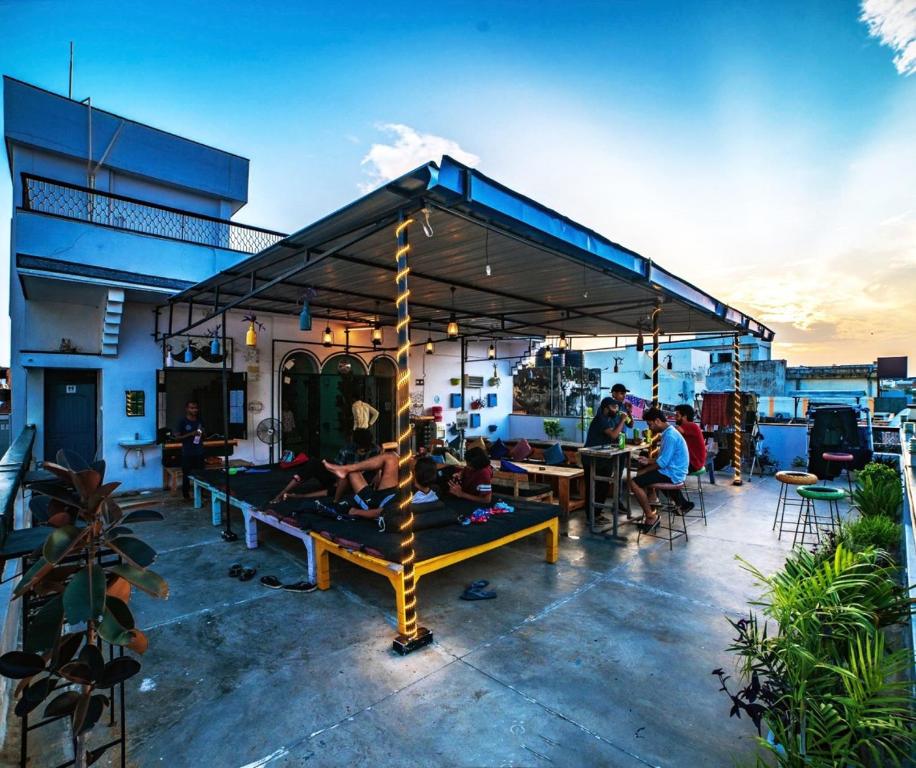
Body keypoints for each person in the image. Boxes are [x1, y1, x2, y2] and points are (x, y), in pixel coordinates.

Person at [270, 427, 380, 505]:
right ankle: (282, 493)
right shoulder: (347, 450)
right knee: (314, 463)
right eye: (361, 449)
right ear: (355, 445)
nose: (363, 451)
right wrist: (338, 478)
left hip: (358, 483)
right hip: (340, 478)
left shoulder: (375, 450)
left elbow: (378, 467)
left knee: (344, 478)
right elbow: (338, 469)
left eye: (365, 449)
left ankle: (333, 500)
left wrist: (377, 474)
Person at [628, 407, 693, 532]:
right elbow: (664, 459)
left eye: (650, 424)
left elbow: (662, 463)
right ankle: (653, 502)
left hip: (673, 473)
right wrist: (648, 461)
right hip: (673, 470)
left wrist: (646, 468)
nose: (650, 428)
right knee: (643, 470)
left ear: (657, 421)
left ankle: (651, 517)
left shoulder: (670, 436)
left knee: (634, 482)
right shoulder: (669, 432)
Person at [320, 455, 438, 519]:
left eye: (412, 467)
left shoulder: (408, 499)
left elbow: (379, 513)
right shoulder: (432, 493)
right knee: (391, 458)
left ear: (414, 475)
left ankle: (336, 500)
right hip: (391, 493)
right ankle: (344, 469)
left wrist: (355, 511)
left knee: (352, 471)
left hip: (375, 502)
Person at [584, 392, 631, 521]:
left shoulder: (608, 419)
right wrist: (622, 420)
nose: (616, 410)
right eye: (614, 407)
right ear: (606, 408)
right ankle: (592, 516)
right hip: (592, 459)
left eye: (617, 408)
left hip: (602, 458)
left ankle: (597, 514)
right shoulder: (601, 419)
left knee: (602, 487)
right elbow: (614, 435)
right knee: (593, 488)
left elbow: (616, 434)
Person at [174, 401, 205, 500]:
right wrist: (191, 434)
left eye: (196, 408)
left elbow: (204, 435)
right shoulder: (182, 421)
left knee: (200, 474)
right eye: (192, 408)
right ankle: (186, 495)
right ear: (186, 409)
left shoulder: (200, 421)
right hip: (187, 452)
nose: (194, 410)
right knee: (187, 474)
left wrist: (203, 432)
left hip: (199, 451)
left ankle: (201, 494)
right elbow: (177, 438)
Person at [674, 404, 707, 473]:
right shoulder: (691, 426)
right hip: (695, 462)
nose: (675, 418)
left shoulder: (690, 425)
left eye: (677, 416)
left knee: (662, 466)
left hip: (693, 464)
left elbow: (674, 430)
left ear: (684, 416)